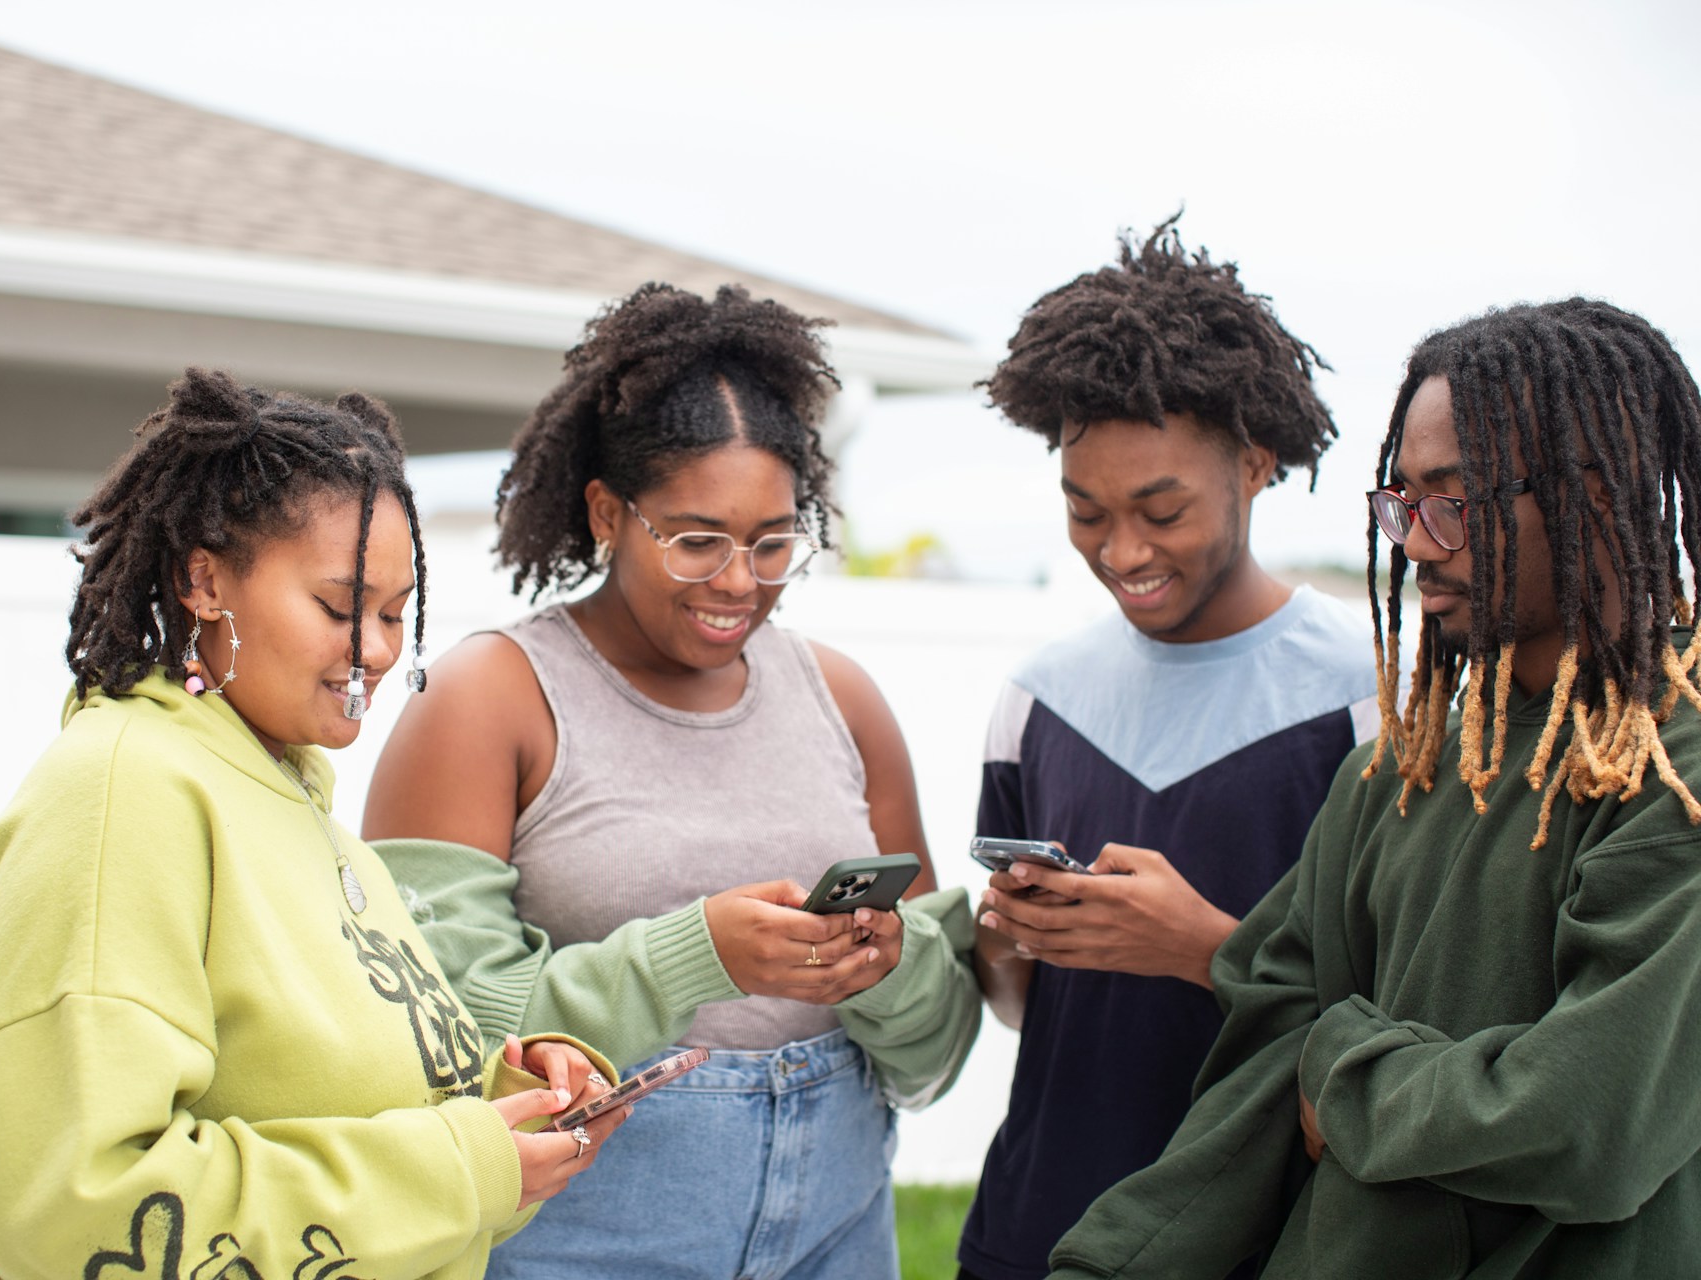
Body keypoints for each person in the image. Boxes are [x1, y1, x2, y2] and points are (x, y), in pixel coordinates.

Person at [0, 369, 629, 1280]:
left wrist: (513, 1101)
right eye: (339, 606)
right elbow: (80, 1203)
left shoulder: (306, 814)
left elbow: (392, 1154)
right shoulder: (126, 793)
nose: (380, 648)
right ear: (203, 579)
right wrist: (458, 1165)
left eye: (395, 614)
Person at [1048, 297, 1701, 1278]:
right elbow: (1266, 1054)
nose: (1418, 543)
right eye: (1401, 503)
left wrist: (1344, 1069)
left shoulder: (1669, 767)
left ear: (1598, 493)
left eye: (1458, 500)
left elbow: (1587, 1121)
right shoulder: (1399, 766)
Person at [361, 282, 981, 1280]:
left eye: (775, 541)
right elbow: (433, 1031)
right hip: (579, 1240)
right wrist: (698, 956)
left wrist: (889, 963)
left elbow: (933, 1056)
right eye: (697, 540)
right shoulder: (489, 700)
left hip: (838, 1226)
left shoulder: (845, 701)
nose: (739, 580)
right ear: (607, 510)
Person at [957, 220, 1377, 1280]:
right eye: (1086, 510)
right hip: (1040, 1224)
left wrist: (1200, 946)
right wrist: (1010, 934)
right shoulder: (1038, 695)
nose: (1122, 550)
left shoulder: (1371, 694)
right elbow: (1016, 1001)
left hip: (1265, 1232)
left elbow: (1416, 1013)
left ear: (1255, 462)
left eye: (1161, 508)